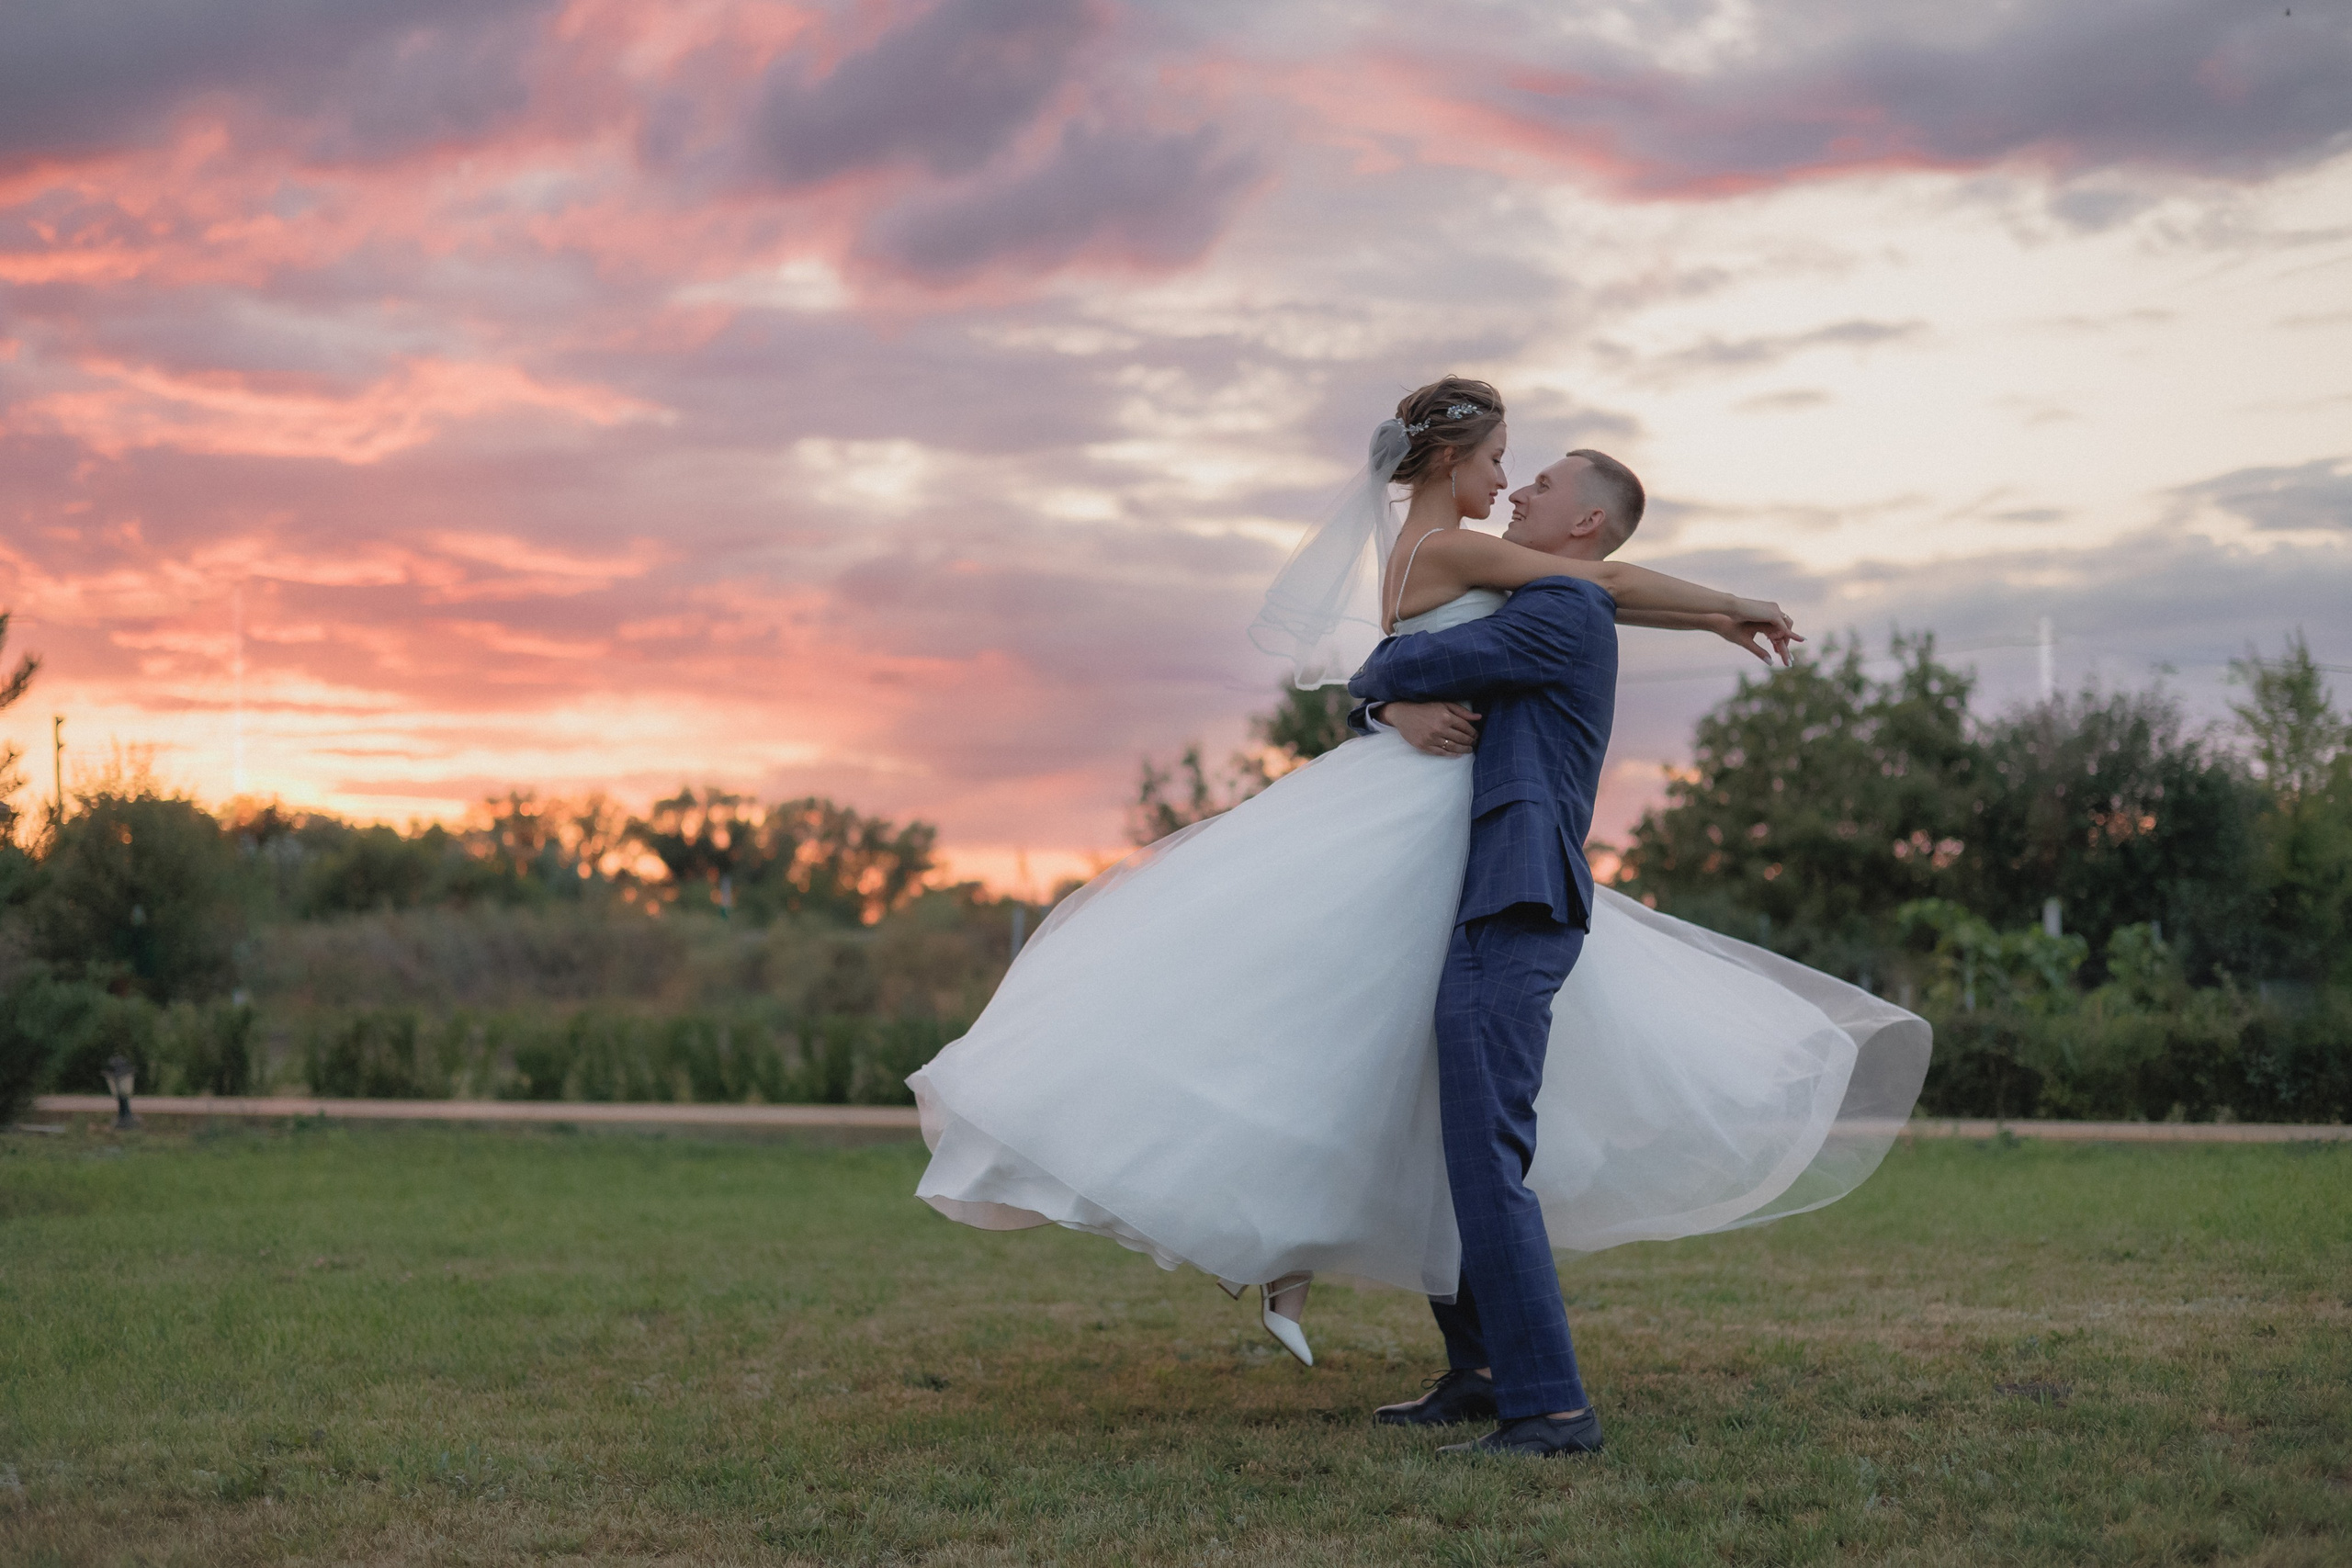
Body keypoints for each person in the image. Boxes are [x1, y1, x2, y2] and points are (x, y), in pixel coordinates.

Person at [908, 377, 1930, 1454]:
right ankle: (1490, 1372)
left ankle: (1545, 1404)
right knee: (1453, 1135)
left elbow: (1488, 626)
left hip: (1499, 878)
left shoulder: (1554, 604)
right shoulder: (1492, 571)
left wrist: (1388, 688)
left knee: (1475, 1144)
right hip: (1455, 859)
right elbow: (1472, 633)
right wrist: (1725, 606)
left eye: (1533, 477)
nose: (1511, 483)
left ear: (1577, 516)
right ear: (1452, 463)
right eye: (1502, 463)